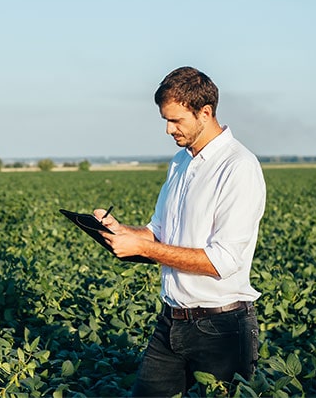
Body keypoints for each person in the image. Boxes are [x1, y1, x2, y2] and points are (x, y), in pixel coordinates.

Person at [94, 66, 266, 396]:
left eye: (176, 121)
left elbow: (223, 261)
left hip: (221, 327)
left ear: (205, 112)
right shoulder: (180, 162)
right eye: (165, 121)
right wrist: (122, 232)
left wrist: (142, 249)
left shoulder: (238, 167)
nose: (169, 130)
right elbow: (159, 233)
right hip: (170, 322)